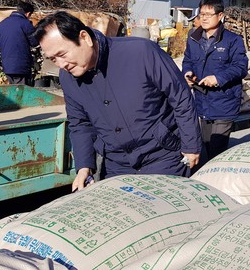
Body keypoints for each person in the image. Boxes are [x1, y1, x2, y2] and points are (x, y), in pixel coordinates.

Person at [34, 11, 201, 191]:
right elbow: (79, 123)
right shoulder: (68, 78)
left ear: (84, 37)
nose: (61, 64)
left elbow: (180, 96)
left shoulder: (140, 52)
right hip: (117, 164)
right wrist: (84, 166)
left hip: (163, 156)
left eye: (62, 54)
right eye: (53, 59)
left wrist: (191, 145)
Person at [182, 0, 248, 162]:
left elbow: (240, 67)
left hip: (224, 101)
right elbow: (187, 59)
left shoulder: (233, 40)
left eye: (208, 14)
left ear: (220, 16)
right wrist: (187, 72)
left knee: (217, 147)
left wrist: (218, 78)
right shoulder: (193, 38)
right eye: (201, 14)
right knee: (205, 144)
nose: (203, 18)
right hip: (202, 100)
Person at [0, 1, 38, 86]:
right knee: (22, 93)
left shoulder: (2, 23)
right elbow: (34, 42)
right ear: (28, 14)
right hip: (21, 65)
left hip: (7, 64)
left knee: (12, 90)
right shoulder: (26, 24)